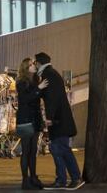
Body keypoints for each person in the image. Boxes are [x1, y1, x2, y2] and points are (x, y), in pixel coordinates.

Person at [35, 52, 85, 190]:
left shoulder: (48, 75)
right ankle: (63, 179)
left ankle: (73, 178)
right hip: (60, 119)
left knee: (60, 148)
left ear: (39, 63)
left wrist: (49, 117)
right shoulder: (52, 74)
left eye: (35, 63)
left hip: (58, 120)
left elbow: (52, 98)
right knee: (59, 149)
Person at [16, 58, 49, 190]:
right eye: (30, 65)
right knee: (26, 150)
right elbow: (24, 100)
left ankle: (33, 177)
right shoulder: (21, 82)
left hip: (35, 119)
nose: (33, 66)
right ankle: (25, 180)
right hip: (25, 119)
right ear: (25, 68)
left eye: (33, 64)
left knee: (33, 150)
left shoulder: (36, 80)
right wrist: (38, 89)